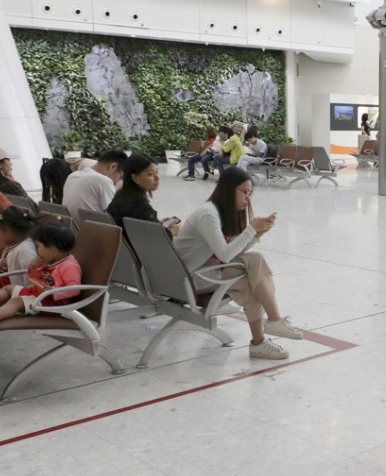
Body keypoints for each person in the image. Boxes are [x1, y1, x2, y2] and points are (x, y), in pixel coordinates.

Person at [173, 166, 303, 358]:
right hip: (191, 278)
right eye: (244, 192)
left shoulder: (213, 211)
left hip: (193, 272)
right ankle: (269, 327)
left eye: (249, 193)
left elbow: (228, 253)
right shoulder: (208, 215)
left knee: (253, 269)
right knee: (252, 274)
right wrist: (251, 230)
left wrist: (256, 234)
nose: (247, 198)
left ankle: (263, 337)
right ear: (228, 189)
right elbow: (225, 255)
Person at [0, 223, 79, 321]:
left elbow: (74, 289)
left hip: (52, 304)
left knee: (16, 302)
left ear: (52, 248)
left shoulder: (69, 266)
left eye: (39, 247)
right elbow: (33, 279)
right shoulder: (49, 261)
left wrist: (52, 291)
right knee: (8, 289)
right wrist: (33, 266)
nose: (37, 250)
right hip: (38, 295)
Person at [106, 153, 180, 237]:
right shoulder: (140, 206)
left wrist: (156, 221)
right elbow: (156, 241)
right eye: (150, 174)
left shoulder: (121, 195)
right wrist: (172, 232)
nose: (157, 177)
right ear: (135, 178)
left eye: (157, 172)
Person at [62, 150, 128, 222]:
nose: (117, 181)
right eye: (121, 177)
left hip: (73, 229)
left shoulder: (73, 176)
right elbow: (115, 215)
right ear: (113, 167)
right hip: (95, 231)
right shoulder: (103, 181)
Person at [0, 207, 39, 286]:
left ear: (8, 231)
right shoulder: (11, 245)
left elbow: (30, 282)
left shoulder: (25, 251)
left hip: (17, 292)